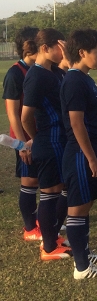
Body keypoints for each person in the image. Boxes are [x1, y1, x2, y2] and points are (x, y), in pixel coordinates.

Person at [60, 29, 97, 278]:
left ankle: (84, 251)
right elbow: (76, 124)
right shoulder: (73, 81)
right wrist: (92, 158)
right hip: (81, 155)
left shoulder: (84, 77)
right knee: (78, 208)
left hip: (93, 151)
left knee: (85, 206)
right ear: (82, 53)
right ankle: (82, 267)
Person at [21, 28, 71, 260]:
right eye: (59, 48)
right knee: (50, 193)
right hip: (49, 142)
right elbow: (25, 116)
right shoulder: (36, 75)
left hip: (60, 140)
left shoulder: (53, 72)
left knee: (61, 190)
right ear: (45, 48)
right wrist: (34, 138)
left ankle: (52, 237)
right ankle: (48, 247)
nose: (62, 53)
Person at [3, 27, 40, 240]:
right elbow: (12, 113)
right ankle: (29, 228)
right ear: (29, 48)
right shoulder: (15, 73)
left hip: (40, 135)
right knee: (29, 182)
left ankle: (40, 221)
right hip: (25, 139)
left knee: (41, 180)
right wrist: (22, 144)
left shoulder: (41, 70)